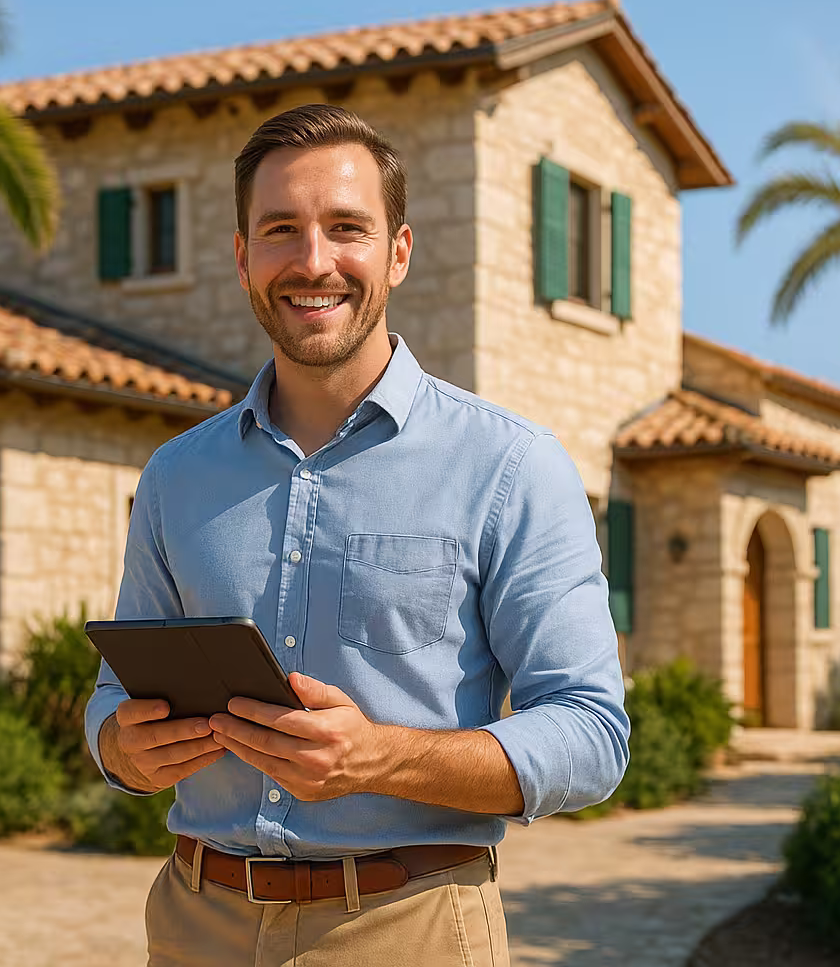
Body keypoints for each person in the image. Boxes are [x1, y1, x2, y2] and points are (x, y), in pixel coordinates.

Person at [83, 103, 630, 967]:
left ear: (398, 252)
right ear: (241, 259)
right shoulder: (173, 478)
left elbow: (592, 733)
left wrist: (377, 759)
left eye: (347, 228)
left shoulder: (512, 466)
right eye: (279, 231)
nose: (313, 262)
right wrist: (123, 747)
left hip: (409, 931)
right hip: (195, 927)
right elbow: (113, 698)